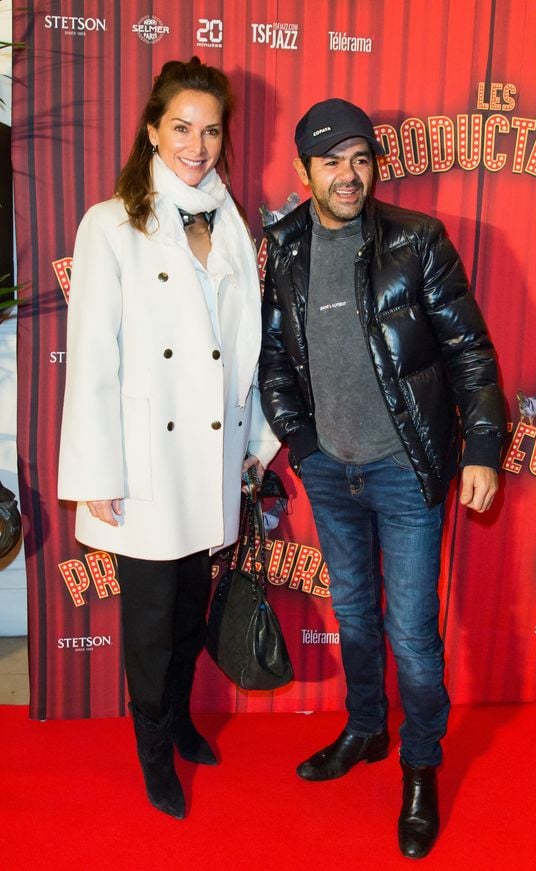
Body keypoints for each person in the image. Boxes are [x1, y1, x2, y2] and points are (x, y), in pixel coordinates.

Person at [259, 98, 507, 859]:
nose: (349, 174)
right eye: (331, 160)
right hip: (331, 472)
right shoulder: (284, 249)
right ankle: (366, 728)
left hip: (405, 472)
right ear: (305, 170)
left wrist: (484, 448)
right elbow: (274, 361)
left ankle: (421, 763)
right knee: (357, 618)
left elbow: (469, 350)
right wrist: (302, 444)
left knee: (410, 632)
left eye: (361, 158)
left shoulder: (417, 241)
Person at [58, 57, 279, 819]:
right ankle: (152, 746)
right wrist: (97, 470)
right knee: (152, 622)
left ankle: (179, 716)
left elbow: (245, 347)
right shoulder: (109, 222)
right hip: (146, 462)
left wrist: (256, 442)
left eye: (211, 129)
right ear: (153, 130)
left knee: (190, 607)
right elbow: (92, 355)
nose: (198, 144)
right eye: (182, 127)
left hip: (212, 457)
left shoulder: (231, 220)